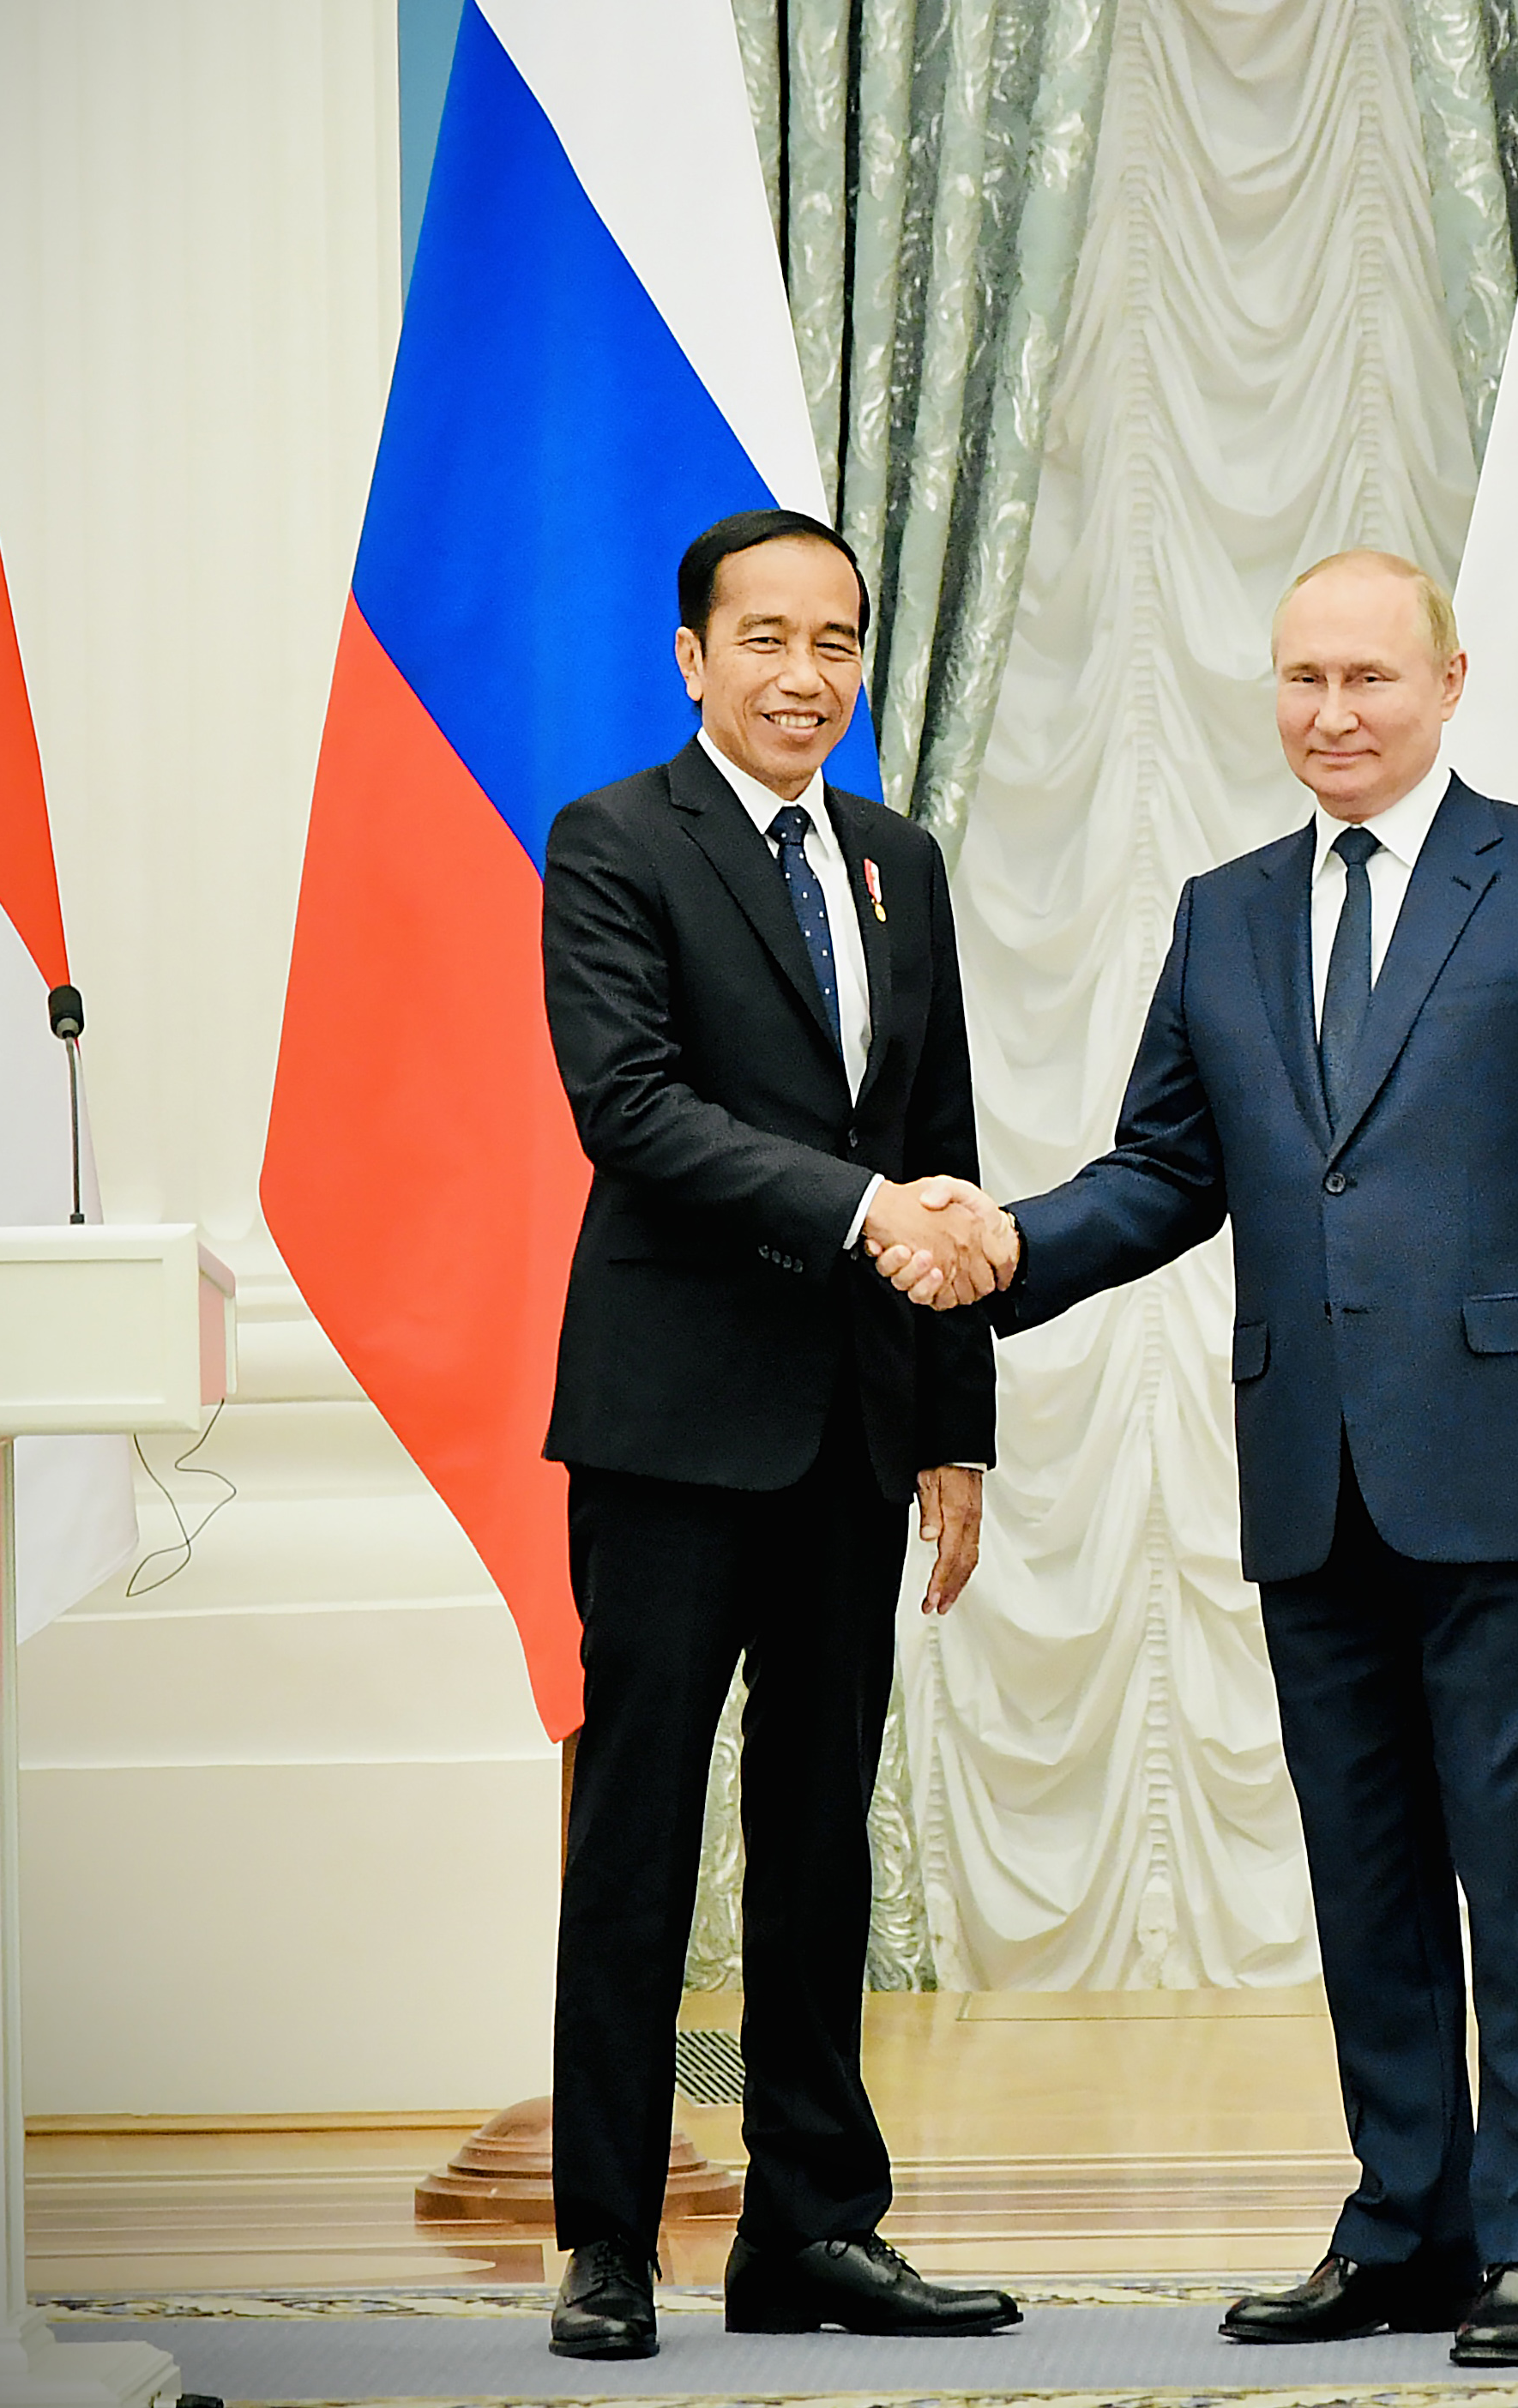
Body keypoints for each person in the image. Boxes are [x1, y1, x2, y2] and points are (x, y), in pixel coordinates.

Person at [882, 549, 1518, 2367]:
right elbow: (1164, 1172)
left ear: (1448, 684)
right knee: (1368, 1879)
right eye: (1302, 680)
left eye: (1367, 678)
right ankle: (1404, 2224)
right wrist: (1006, 1245)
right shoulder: (1226, 911)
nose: (1332, 714)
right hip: (1310, 1474)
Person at [538, 507, 1024, 2360]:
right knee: (641, 1835)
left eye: (833, 642)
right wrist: (859, 1211)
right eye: (765, 638)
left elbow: (939, 1138)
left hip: (853, 1433)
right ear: (692, 656)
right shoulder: (613, 841)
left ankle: (811, 2228)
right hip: (671, 1426)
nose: (802, 675)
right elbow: (631, 1106)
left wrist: (955, 1429)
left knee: (821, 1840)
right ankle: (606, 2241)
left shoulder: (898, 861)